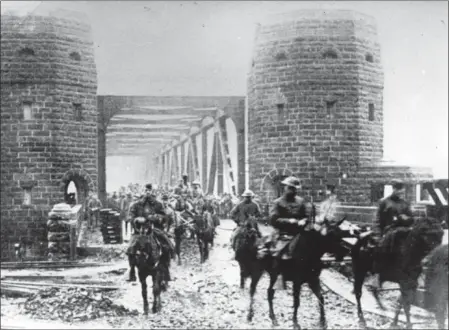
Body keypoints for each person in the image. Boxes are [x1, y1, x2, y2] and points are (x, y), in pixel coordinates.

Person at [126, 183, 175, 286]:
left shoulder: (158, 204)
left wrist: (154, 217)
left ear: (153, 192)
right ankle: (131, 271)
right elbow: (130, 217)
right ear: (143, 191)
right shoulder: (136, 204)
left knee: (168, 245)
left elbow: (164, 216)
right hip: (139, 231)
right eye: (146, 190)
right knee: (130, 249)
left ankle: (166, 271)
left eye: (150, 190)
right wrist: (136, 219)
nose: (148, 192)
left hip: (156, 229)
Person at [370, 179, 414, 291]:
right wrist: (378, 235)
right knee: (380, 249)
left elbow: (412, 219)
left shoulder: (405, 203)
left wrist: (406, 218)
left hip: (403, 231)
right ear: (393, 189)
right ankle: (377, 276)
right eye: (398, 189)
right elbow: (377, 220)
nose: (400, 191)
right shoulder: (384, 202)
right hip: (389, 231)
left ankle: (412, 276)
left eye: (401, 189)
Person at [268, 176, 312, 259]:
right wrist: (289, 221)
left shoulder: (301, 201)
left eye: (295, 189)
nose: (293, 191)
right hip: (283, 233)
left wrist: (304, 220)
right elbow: (273, 220)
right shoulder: (277, 202)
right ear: (285, 188)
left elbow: (306, 216)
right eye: (290, 188)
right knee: (278, 254)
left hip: (299, 233)